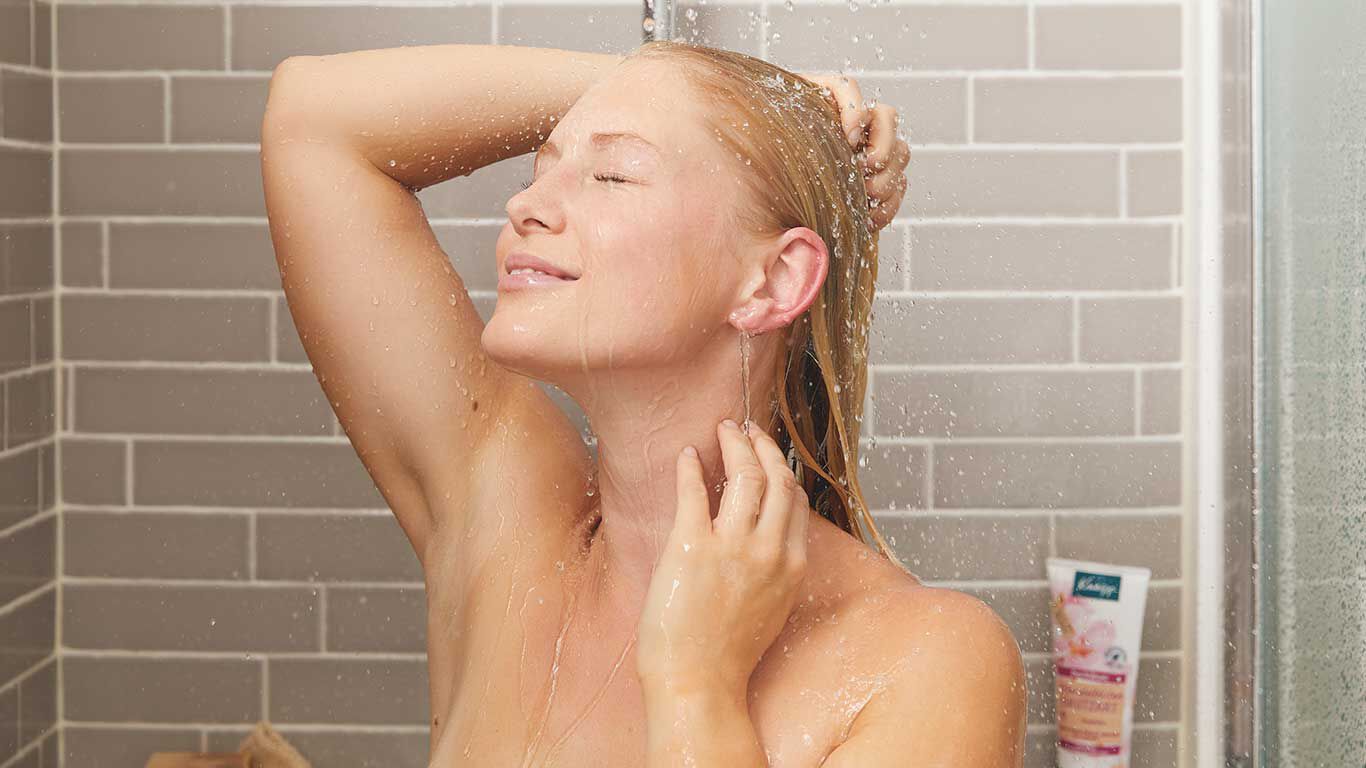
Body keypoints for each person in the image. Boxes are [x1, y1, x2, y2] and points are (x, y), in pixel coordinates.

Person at [259, 40, 1025, 767]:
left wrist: (697, 686)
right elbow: (315, 120)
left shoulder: (927, 663)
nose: (527, 204)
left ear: (776, 281)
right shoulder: (506, 528)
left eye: (614, 176)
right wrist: (705, 86)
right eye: (541, 166)